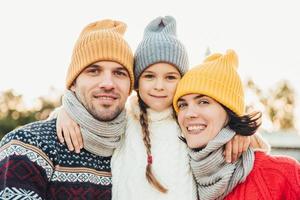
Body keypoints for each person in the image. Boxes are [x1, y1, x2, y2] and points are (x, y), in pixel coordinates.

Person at [53, 16, 264, 200]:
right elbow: (90, 119)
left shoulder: (189, 123)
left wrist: (241, 134)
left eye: (170, 77)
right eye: (149, 76)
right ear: (136, 82)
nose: (159, 86)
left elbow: (255, 144)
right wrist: (65, 112)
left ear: (182, 81)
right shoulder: (123, 119)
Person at [0, 19, 134, 199]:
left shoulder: (139, 149)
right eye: (93, 71)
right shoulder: (28, 146)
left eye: (119, 73)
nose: (108, 83)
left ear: (131, 86)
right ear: (72, 83)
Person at [173, 49, 300, 200]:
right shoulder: (176, 173)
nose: (189, 113)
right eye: (182, 105)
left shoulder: (282, 174)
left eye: (203, 102)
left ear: (230, 111)